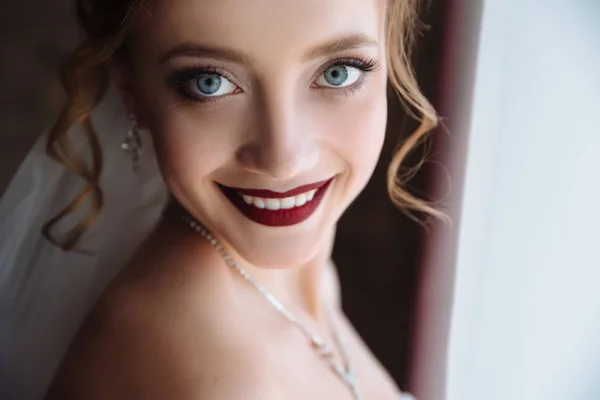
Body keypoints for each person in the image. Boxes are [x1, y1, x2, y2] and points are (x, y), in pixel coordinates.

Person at [0, 0, 443, 398]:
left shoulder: (301, 277)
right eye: (210, 83)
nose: (282, 159)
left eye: (337, 72)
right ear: (131, 92)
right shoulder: (218, 376)